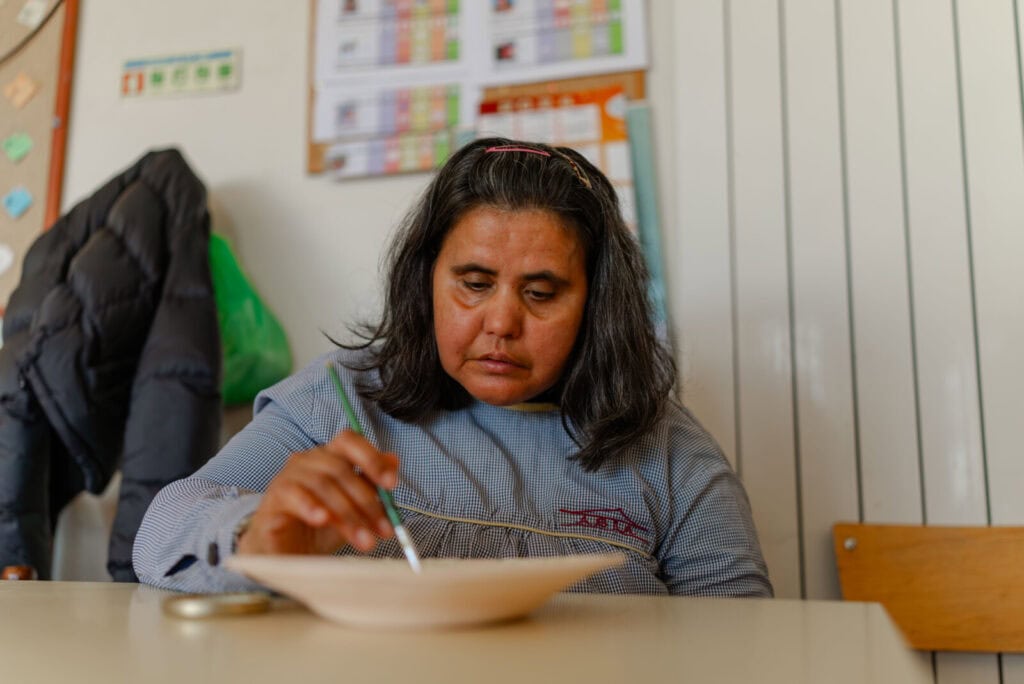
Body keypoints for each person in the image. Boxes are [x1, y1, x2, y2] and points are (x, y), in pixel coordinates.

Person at [133, 137, 773, 597]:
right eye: (472, 283)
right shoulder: (341, 400)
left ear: (597, 305)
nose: (500, 322)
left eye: (542, 292)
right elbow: (160, 532)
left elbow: (744, 639)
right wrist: (255, 538)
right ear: (426, 283)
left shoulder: (666, 450)